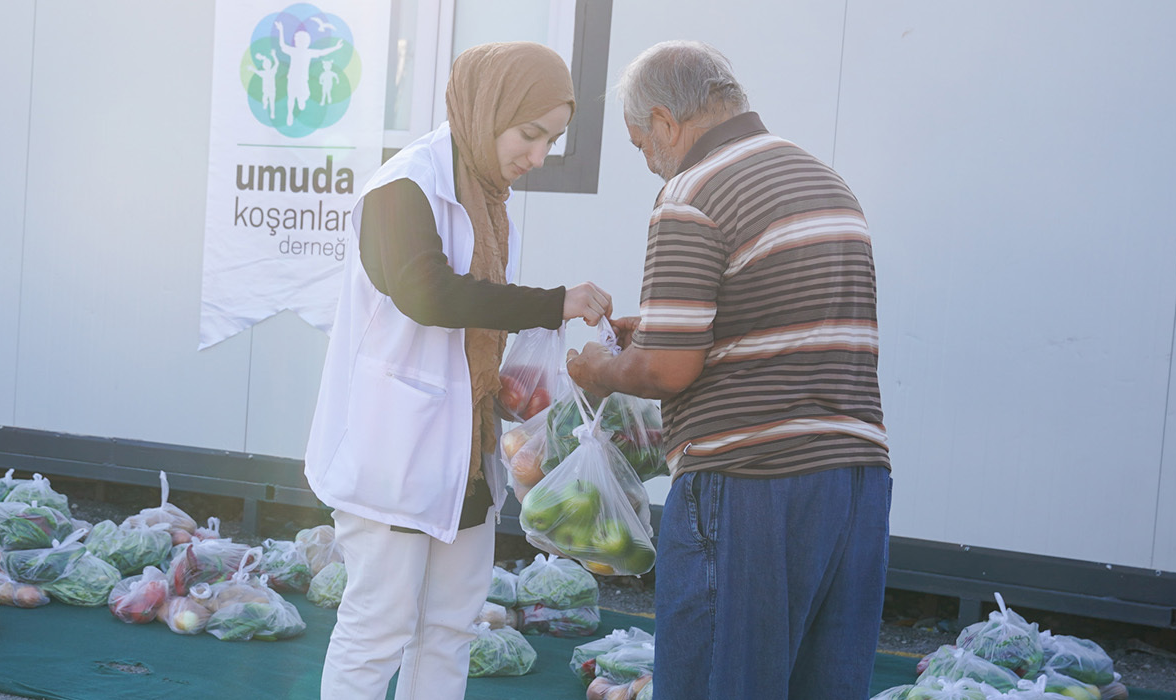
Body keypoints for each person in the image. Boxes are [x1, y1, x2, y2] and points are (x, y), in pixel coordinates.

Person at [568, 40, 891, 698]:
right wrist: (653, 332)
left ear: (665, 122)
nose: (649, 162)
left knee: (719, 681)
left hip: (749, 483)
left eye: (641, 144)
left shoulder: (692, 191)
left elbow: (668, 371)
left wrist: (602, 369)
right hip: (855, 479)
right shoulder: (824, 181)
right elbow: (778, 321)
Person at [306, 42, 611, 699]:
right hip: (397, 451)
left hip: (467, 454)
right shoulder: (404, 187)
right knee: (377, 628)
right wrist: (552, 304)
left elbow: (477, 324)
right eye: (529, 134)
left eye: (552, 141)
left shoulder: (487, 198)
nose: (537, 157)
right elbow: (429, 296)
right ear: (487, 109)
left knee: (450, 629)